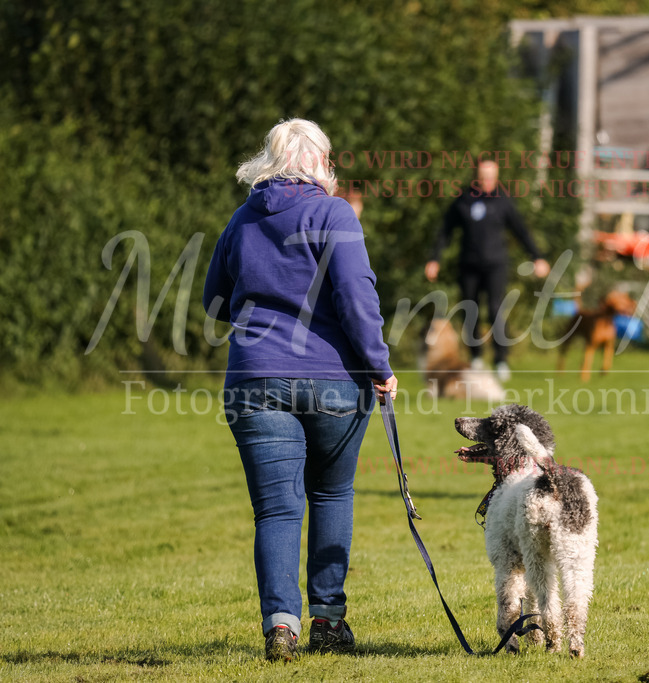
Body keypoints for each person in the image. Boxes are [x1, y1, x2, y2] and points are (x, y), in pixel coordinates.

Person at [203, 118, 398, 661]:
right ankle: (328, 623)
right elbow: (358, 298)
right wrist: (379, 366)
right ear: (320, 163)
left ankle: (281, 626)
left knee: (276, 511)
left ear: (270, 161)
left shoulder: (241, 220)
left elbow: (213, 303)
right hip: (334, 378)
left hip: (254, 379)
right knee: (331, 494)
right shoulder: (334, 212)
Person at [424, 160, 550, 381]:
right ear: (477, 177)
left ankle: (501, 360)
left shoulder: (503, 201)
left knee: (494, 309)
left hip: (495, 265)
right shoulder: (464, 200)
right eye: (483, 176)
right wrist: (434, 259)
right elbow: (446, 231)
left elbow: (521, 231)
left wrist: (537, 256)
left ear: (497, 176)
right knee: (470, 310)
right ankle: (476, 358)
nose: (487, 181)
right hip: (469, 265)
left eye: (491, 176)